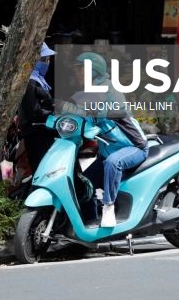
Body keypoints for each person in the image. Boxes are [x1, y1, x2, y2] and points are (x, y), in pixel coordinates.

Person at [56, 52, 147, 228]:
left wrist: (70, 106)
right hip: (108, 151)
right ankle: (88, 220)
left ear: (92, 71)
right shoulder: (88, 92)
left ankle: (108, 208)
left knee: (113, 163)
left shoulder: (109, 88)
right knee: (84, 182)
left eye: (80, 69)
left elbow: (115, 110)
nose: (76, 73)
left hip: (134, 146)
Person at [17, 43, 57, 172]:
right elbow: (34, 111)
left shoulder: (38, 79)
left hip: (43, 130)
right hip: (35, 132)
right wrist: (54, 111)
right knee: (42, 169)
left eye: (48, 59)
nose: (47, 63)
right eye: (43, 60)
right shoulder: (29, 81)